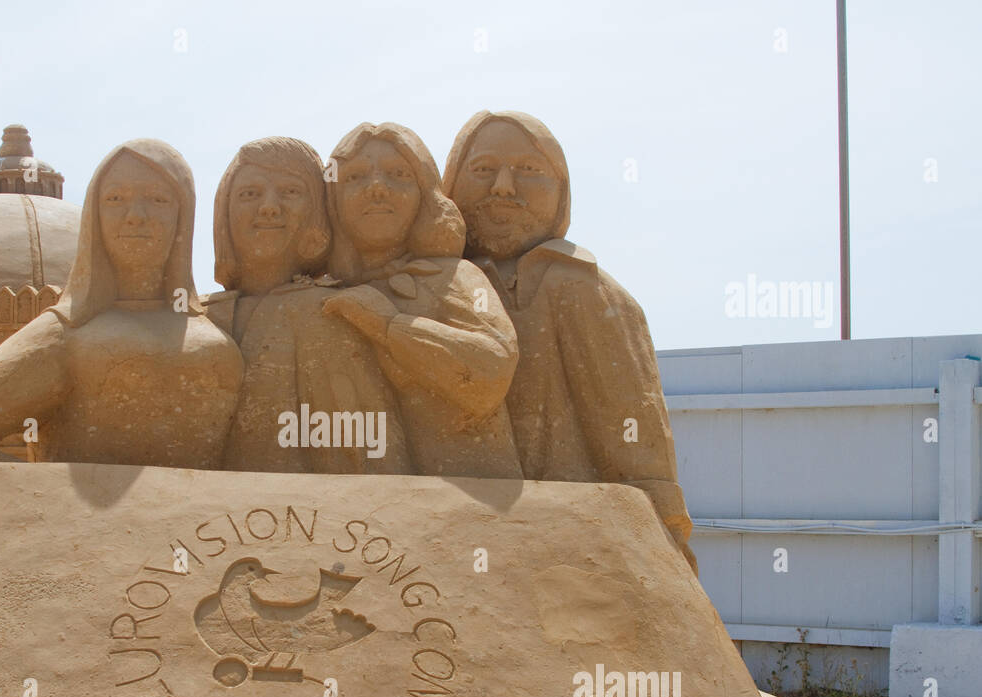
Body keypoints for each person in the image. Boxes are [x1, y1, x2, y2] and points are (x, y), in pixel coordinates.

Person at [442, 109, 697, 571]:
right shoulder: (426, 284)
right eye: (482, 170)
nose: (503, 186)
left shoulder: (584, 290)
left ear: (560, 193)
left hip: (565, 550)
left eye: (528, 171)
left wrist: (664, 536)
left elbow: (637, 447)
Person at [0, 139, 243, 469]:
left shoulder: (220, 324)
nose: (136, 216)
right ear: (95, 216)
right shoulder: (68, 334)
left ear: (183, 215)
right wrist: (53, 503)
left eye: (158, 200)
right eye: (115, 199)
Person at [320, 122, 522, 479]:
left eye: (399, 174)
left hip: (474, 505)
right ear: (332, 201)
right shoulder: (319, 293)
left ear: (424, 194)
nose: (378, 189)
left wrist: (389, 326)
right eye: (355, 178)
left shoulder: (456, 277)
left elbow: (493, 368)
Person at [206, 137, 409, 474]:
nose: (269, 207)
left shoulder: (331, 312)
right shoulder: (195, 317)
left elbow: (371, 464)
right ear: (224, 212)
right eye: (249, 194)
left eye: (290, 192)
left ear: (316, 211)